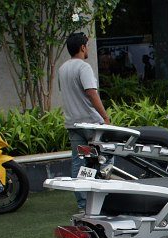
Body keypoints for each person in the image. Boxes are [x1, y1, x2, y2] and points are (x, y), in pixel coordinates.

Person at [58, 32, 109, 211]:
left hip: (73, 124)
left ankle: (83, 204)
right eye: (87, 46)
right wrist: (105, 117)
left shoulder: (62, 69)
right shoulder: (84, 67)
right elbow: (91, 93)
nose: (88, 49)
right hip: (91, 124)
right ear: (82, 47)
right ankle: (106, 201)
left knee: (79, 162)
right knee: (106, 158)